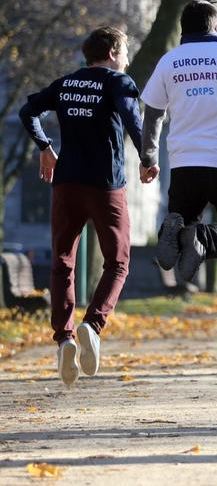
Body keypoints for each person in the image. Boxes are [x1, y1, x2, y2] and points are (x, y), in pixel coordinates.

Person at [19, 26, 155, 386]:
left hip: (66, 184)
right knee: (118, 261)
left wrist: (46, 147)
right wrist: (147, 156)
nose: (126, 58)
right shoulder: (118, 82)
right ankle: (92, 325)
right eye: (124, 51)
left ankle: (64, 337)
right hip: (106, 185)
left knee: (62, 261)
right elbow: (133, 120)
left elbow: (27, 110)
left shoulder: (66, 84)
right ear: (112, 52)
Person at [140, 0, 217, 284]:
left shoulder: (169, 60)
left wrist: (148, 159)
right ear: (216, 25)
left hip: (185, 164)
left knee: (182, 227)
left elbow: (153, 114)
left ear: (183, 27)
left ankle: (180, 231)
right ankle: (202, 237)